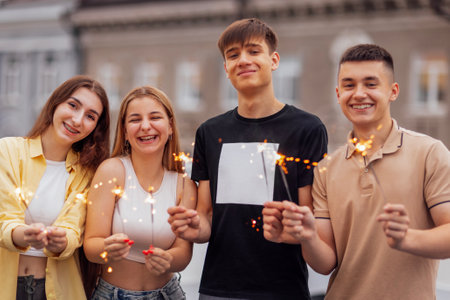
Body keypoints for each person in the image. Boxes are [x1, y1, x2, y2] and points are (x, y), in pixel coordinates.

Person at [263, 44, 450, 299]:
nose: (359, 94)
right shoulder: (326, 169)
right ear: (338, 93)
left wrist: (408, 238)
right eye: (349, 85)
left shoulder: (430, 152)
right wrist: (307, 236)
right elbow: (325, 262)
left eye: (371, 84)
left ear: (393, 91)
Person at [167, 18, 327, 299]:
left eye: (253, 51)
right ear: (226, 68)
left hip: (284, 290)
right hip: (218, 290)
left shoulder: (307, 129)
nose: (243, 60)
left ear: (274, 60)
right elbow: (205, 218)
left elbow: (310, 217)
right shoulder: (209, 132)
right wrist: (195, 227)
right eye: (233, 55)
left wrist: (296, 226)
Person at [0, 75, 110, 300]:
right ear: (55, 104)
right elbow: (4, 219)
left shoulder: (88, 173)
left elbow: (73, 230)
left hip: (58, 291)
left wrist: (62, 241)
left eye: (90, 116)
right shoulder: (7, 151)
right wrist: (24, 235)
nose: (77, 120)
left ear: (96, 127)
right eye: (72, 105)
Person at [84, 86, 196, 300]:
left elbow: (184, 253)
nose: (145, 126)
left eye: (155, 117)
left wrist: (168, 259)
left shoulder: (185, 186)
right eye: (135, 120)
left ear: (170, 126)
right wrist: (106, 248)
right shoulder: (112, 171)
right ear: (125, 131)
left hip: (169, 294)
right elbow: (91, 246)